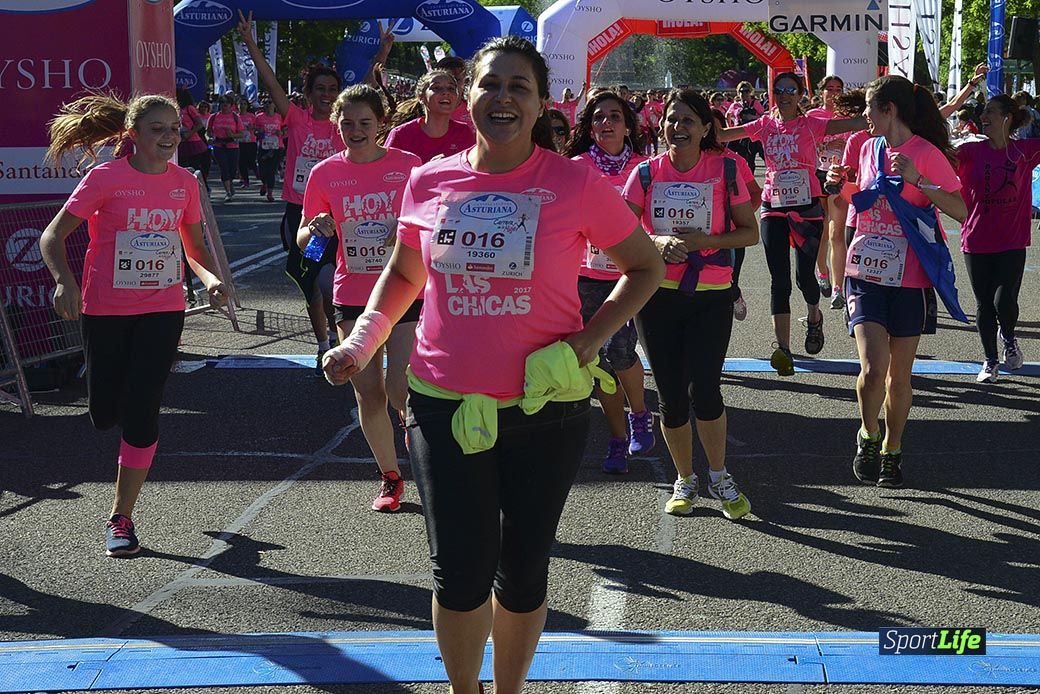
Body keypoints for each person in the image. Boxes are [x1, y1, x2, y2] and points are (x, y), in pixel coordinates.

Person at [321, 36, 663, 694]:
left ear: (540, 105)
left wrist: (591, 340)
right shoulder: (429, 179)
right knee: (460, 575)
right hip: (445, 404)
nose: (502, 97)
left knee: (523, 570)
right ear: (467, 95)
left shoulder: (573, 182)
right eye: (490, 85)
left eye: (518, 88)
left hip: (547, 411)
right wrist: (361, 342)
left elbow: (645, 266)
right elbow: (403, 274)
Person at [39, 93, 227, 557]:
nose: (168, 138)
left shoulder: (184, 183)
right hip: (105, 309)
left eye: (174, 129)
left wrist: (212, 280)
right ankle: (119, 417)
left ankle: (121, 516)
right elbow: (52, 235)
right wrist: (64, 281)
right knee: (104, 413)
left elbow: (194, 249)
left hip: (163, 308)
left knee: (144, 407)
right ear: (134, 135)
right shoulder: (106, 178)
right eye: (157, 129)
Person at [625, 88, 760, 519]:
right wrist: (655, 240)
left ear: (706, 129)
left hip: (711, 296)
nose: (677, 128)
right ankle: (684, 478)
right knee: (670, 396)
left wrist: (707, 241)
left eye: (687, 121)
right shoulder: (645, 173)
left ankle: (719, 474)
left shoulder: (726, 168)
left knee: (706, 390)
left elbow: (749, 232)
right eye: (670, 119)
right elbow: (618, 234)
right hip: (658, 297)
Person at [832, 75, 967, 488]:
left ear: (889, 110)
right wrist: (841, 187)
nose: (864, 117)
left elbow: (960, 210)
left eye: (870, 109)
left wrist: (918, 180)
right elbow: (864, 198)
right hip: (866, 271)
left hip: (910, 276)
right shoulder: (867, 147)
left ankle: (893, 448)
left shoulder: (925, 153)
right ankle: (868, 434)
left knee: (899, 378)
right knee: (873, 369)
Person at [297, 85, 422, 510]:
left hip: (406, 288)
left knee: (401, 385)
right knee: (367, 391)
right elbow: (305, 245)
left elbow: (433, 222)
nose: (355, 130)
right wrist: (316, 230)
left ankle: (427, 456)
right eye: (347, 123)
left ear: (381, 124)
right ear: (336, 124)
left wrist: (406, 229)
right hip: (352, 294)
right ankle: (390, 477)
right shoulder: (325, 173)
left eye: (364, 123)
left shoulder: (408, 166)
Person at [718, 72, 865, 376]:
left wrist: (881, 106)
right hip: (774, 208)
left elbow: (855, 124)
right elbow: (724, 136)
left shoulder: (812, 124)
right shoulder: (764, 124)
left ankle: (814, 317)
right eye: (779, 90)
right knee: (779, 280)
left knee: (804, 279)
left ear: (800, 95)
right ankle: (783, 348)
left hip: (807, 207)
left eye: (790, 90)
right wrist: (699, 125)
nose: (784, 95)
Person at [238, 10, 344, 376]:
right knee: (315, 283)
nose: (327, 95)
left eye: (333, 90)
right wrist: (251, 43)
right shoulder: (297, 118)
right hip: (305, 220)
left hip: (343, 221)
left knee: (336, 284)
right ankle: (323, 345)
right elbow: (271, 84)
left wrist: (379, 57)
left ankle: (339, 335)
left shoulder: (346, 126)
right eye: (321, 89)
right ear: (310, 94)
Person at [563, 91, 653, 473]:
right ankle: (617, 439)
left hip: (630, 276)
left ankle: (640, 413)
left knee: (621, 352)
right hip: (586, 276)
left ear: (627, 124)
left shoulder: (644, 167)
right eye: (598, 117)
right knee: (598, 360)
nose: (606, 123)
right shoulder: (576, 166)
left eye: (615, 116)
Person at [956, 94, 1040, 382]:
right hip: (976, 239)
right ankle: (990, 361)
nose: (983, 116)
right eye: (983, 111)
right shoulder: (969, 152)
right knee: (983, 304)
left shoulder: (1025, 151)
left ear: (1007, 118)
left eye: (990, 111)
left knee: (1004, 302)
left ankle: (1009, 339)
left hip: (1012, 241)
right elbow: (934, 157)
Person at [710, 108, 762, 322]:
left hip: (731, 236)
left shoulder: (735, 160)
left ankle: (734, 295)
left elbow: (755, 193)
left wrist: (741, 218)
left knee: (729, 280)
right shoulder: (690, 160)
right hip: (699, 234)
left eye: (715, 129)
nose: (710, 135)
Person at [824, 89, 868, 312]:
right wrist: (841, 175)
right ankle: (839, 289)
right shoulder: (857, 138)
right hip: (852, 199)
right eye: (829, 88)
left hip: (884, 213)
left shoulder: (900, 135)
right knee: (834, 235)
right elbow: (848, 175)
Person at [807, 75, 848, 301]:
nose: (834, 92)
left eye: (838, 88)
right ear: (821, 92)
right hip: (817, 173)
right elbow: (803, 144)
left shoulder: (848, 117)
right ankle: (822, 270)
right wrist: (826, 144)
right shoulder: (813, 116)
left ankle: (837, 287)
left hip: (839, 174)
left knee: (836, 231)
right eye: (829, 88)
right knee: (822, 230)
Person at [384, 70, 475, 164]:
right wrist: (427, 170)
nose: (446, 92)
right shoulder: (400, 135)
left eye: (451, 88)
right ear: (421, 97)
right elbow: (386, 173)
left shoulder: (464, 132)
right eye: (437, 88)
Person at [209, 95, 244, 202]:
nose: (224, 105)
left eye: (227, 103)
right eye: (222, 103)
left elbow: (241, 134)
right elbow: (208, 131)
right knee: (224, 168)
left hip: (232, 146)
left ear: (231, 105)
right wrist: (209, 138)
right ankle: (228, 191)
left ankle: (230, 182)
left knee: (232, 169)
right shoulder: (214, 117)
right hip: (219, 145)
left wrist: (232, 135)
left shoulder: (235, 117)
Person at [725, 81, 764, 173]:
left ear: (750, 92)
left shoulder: (755, 103)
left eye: (746, 91)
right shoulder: (736, 105)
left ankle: (750, 178)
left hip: (752, 132)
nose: (744, 94)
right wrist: (730, 128)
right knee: (728, 151)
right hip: (738, 132)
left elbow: (763, 117)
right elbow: (727, 116)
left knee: (751, 157)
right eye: (741, 91)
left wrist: (753, 117)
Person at [254, 98, 285, 202]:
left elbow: (286, 129)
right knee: (262, 170)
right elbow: (254, 130)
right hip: (264, 146)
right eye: (265, 103)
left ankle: (270, 193)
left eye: (270, 102)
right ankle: (265, 183)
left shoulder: (279, 117)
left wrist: (281, 133)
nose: (267, 105)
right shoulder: (259, 117)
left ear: (274, 105)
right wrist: (259, 131)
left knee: (271, 170)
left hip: (277, 147)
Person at [236, 96, 259, 188]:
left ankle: (257, 171)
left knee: (251, 161)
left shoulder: (252, 116)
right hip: (240, 142)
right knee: (241, 162)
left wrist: (252, 128)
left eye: (244, 104)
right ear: (237, 106)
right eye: (240, 104)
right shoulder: (236, 117)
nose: (242, 106)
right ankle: (246, 181)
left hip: (250, 141)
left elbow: (258, 127)